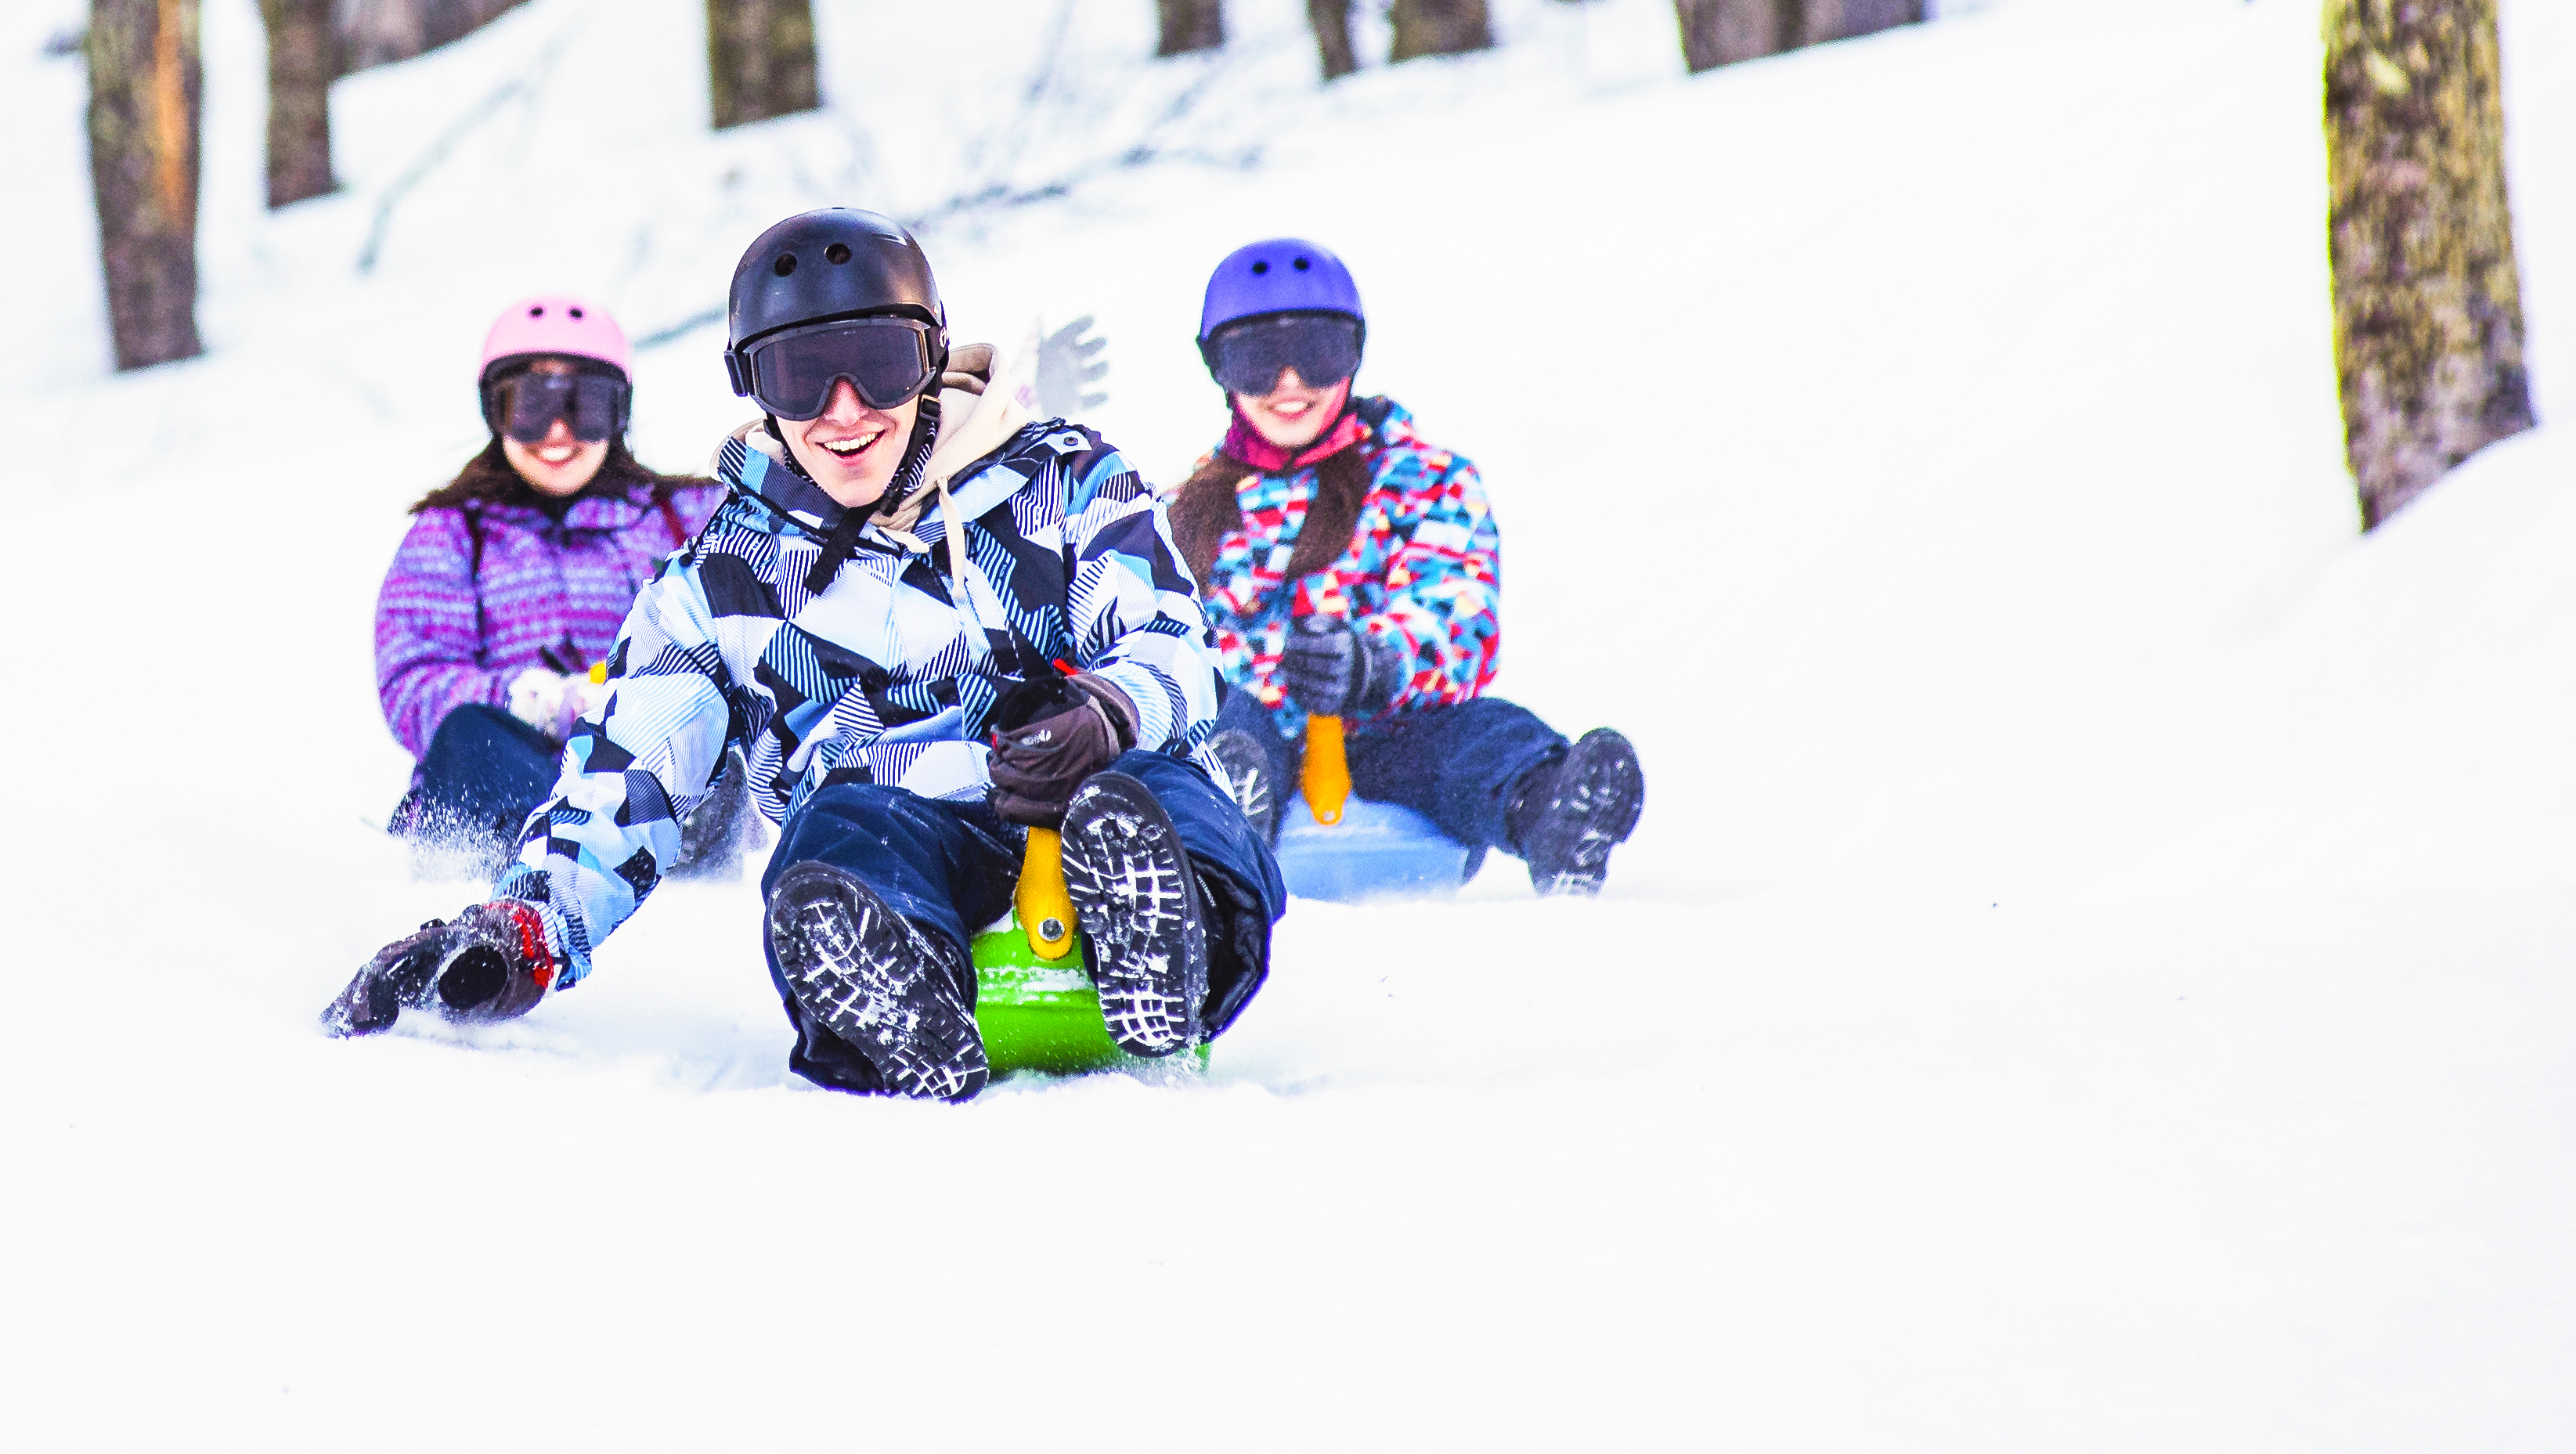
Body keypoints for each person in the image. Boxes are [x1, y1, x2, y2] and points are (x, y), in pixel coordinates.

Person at [327, 209, 1281, 1100]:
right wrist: (525, 926)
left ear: (931, 356)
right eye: (799, 377)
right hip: (900, 823)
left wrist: (1112, 707)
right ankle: (893, 991)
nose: (842, 408)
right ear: (752, 385)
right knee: (838, 829)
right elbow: (629, 771)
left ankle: (1164, 943)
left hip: (1089, 805)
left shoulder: (1064, 479)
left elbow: (1169, 634)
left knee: (1165, 785)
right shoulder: (721, 581)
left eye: (876, 363)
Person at [1171, 237, 1644, 894]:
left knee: (1476, 734)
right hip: (1241, 733)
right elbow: (1150, 631)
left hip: (1381, 731)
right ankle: (1220, 812)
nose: (1289, 383)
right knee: (1223, 722)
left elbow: (1455, 605)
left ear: (1353, 355)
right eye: (1255, 360)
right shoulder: (1181, 509)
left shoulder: (1421, 480)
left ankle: (1550, 810)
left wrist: (1375, 662)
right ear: (1218, 368)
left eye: (1316, 352)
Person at [373, 295, 725, 871]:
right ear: (495, 413)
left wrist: (641, 699)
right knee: (469, 735)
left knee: (706, 744)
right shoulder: (453, 534)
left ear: (619, 412)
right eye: (529, 407)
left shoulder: (686, 517)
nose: (558, 432)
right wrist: (534, 702)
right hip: (512, 770)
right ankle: (549, 861)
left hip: (648, 759)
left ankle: (673, 842)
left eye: (584, 405)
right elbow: (412, 680)